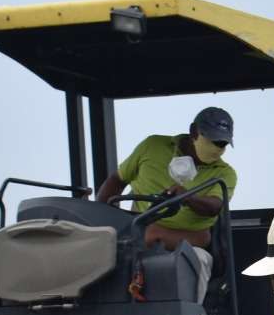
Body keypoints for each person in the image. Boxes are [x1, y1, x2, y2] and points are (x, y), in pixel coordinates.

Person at [94, 106, 237, 300]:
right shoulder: (152, 146)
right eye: (212, 140)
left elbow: (214, 206)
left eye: (222, 144)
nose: (216, 148)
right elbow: (117, 180)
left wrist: (187, 197)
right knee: (100, 252)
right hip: (137, 233)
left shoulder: (225, 173)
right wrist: (100, 219)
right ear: (194, 132)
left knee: (197, 258)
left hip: (188, 241)